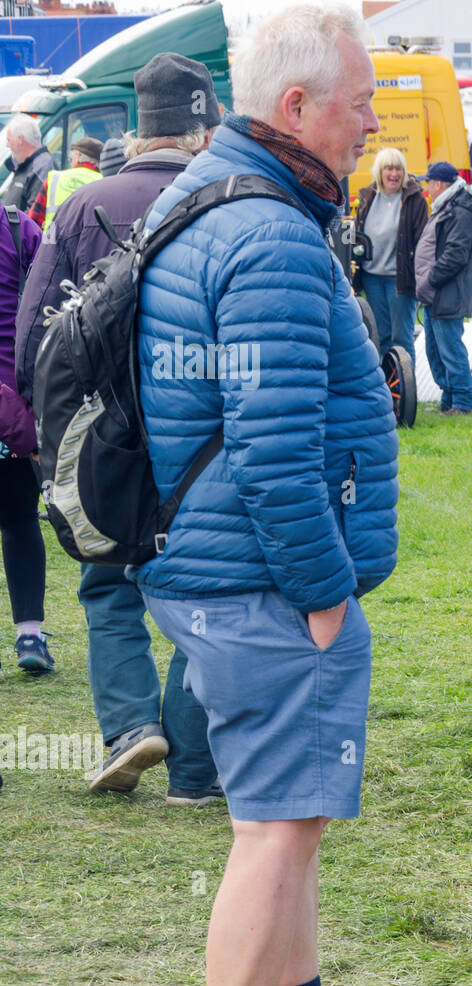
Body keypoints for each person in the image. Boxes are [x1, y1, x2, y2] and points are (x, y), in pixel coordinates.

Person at [132, 4, 397, 986]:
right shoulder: (270, 233)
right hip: (265, 586)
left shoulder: (212, 196)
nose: (372, 123)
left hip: (216, 565)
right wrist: (325, 593)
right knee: (276, 840)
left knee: (278, 832)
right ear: (298, 105)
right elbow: (274, 449)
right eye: (362, 102)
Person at [14, 53, 226, 805]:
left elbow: (35, 337)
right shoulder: (227, 195)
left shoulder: (81, 205)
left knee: (108, 585)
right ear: (205, 128)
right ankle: (196, 772)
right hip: (205, 438)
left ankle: (133, 727)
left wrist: (46, 431)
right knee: (206, 595)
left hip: (104, 437)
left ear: (138, 127)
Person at [0, 188, 47, 675]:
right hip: (12, 409)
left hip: (10, 410)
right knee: (18, 520)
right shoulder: (18, 228)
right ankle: (29, 636)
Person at [414, 160, 472, 415]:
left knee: (450, 349)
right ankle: (448, 400)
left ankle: (463, 403)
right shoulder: (447, 207)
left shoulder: (459, 211)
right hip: (437, 294)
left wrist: (430, 278)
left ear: (439, 184)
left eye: (428, 183)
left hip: (447, 292)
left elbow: (456, 254)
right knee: (435, 350)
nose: (427, 188)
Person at [353, 147, 426, 363]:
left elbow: (423, 241)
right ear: (379, 172)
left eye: (398, 169)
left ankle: (406, 393)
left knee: (401, 339)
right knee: (380, 337)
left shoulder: (414, 200)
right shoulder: (367, 197)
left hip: (400, 280)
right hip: (372, 278)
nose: (394, 174)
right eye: (389, 169)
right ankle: (386, 390)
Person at [28, 137, 102, 232]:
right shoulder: (104, 182)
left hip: (52, 243)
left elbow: (33, 222)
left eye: (70, 159)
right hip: (88, 245)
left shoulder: (54, 179)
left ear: (77, 156)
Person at [1, 115, 53, 214]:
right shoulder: (25, 166)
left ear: (20, 139)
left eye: (9, 140)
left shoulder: (41, 167)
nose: (7, 145)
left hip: (19, 229)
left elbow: (34, 215)